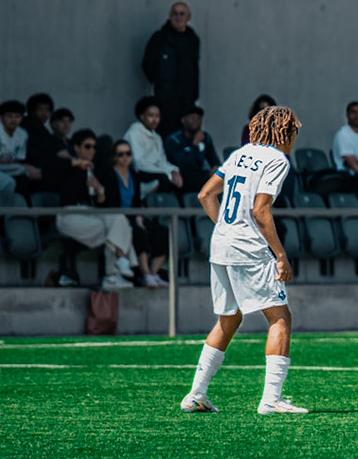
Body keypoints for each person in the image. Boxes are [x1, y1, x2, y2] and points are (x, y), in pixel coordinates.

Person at [181, 104, 308, 415]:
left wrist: (226, 228)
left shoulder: (240, 153)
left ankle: (196, 394)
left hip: (221, 245)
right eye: (293, 131)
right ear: (284, 132)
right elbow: (260, 210)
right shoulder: (278, 159)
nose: (294, 137)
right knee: (280, 318)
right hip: (250, 249)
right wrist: (280, 255)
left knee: (229, 318)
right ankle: (271, 400)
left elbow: (205, 195)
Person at [53, 129, 136, 289]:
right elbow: (50, 168)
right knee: (115, 230)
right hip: (69, 215)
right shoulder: (67, 164)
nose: (92, 150)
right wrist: (75, 163)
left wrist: (100, 190)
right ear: (77, 147)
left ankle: (117, 267)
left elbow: (100, 201)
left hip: (89, 213)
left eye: (94, 147)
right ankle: (114, 272)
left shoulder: (94, 169)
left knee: (119, 218)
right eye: (87, 146)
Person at [98, 139, 170, 286]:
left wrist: (138, 217)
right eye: (121, 154)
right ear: (114, 157)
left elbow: (136, 201)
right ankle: (145, 274)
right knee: (138, 233)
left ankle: (154, 272)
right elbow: (110, 203)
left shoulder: (134, 176)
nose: (125, 157)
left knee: (163, 232)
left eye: (128, 154)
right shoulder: (109, 175)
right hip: (117, 217)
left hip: (134, 214)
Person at [142, 1, 201, 128]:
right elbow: (148, 65)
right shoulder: (159, 38)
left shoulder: (192, 40)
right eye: (175, 14)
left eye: (182, 14)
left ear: (188, 17)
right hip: (165, 101)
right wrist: (161, 82)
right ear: (170, 16)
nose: (178, 17)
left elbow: (195, 68)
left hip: (187, 101)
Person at [122, 97, 184, 196]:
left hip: (158, 172)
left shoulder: (157, 137)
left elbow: (161, 161)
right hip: (140, 173)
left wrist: (172, 171)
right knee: (164, 180)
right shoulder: (134, 133)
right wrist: (166, 173)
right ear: (142, 117)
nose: (154, 120)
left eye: (157, 116)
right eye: (150, 115)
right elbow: (138, 163)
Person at [0, 99, 32, 203]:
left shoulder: (22, 134)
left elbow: (19, 159)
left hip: (8, 168)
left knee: (26, 176)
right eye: (9, 116)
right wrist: (14, 163)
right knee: (12, 179)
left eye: (17, 117)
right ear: (1, 117)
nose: (13, 120)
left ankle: (16, 215)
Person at [165, 105, 221, 187]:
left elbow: (214, 159)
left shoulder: (205, 137)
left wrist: (215, 167)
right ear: (183, 120)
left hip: (200, 173)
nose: (196, 121)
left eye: (198, 118)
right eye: (192, 118)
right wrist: (194, 145)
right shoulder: (174, 139)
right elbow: (183, 162)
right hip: (180, 175)